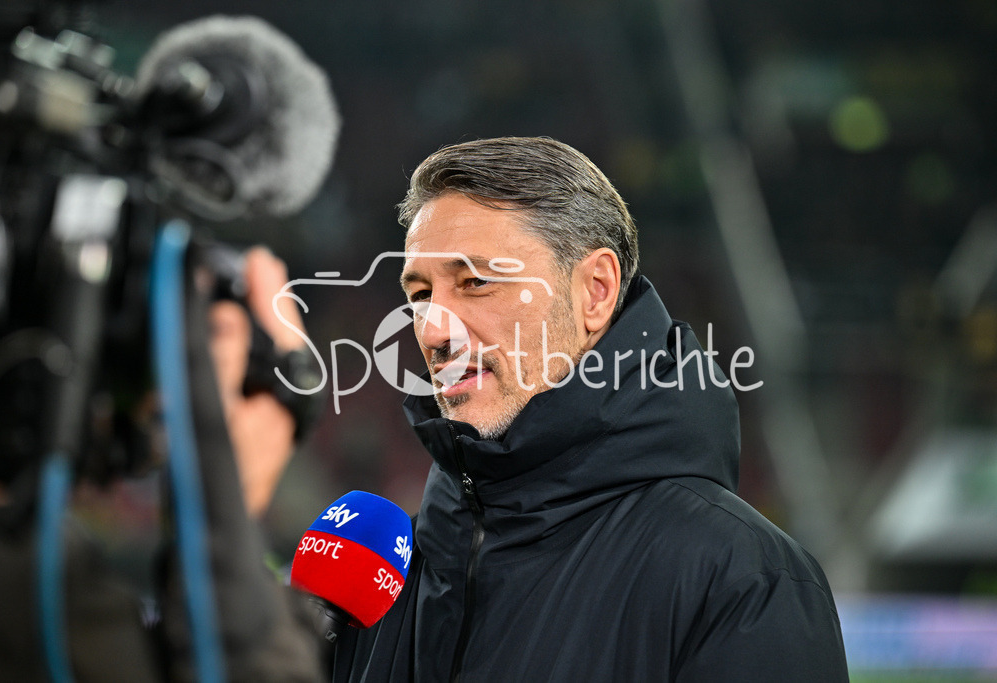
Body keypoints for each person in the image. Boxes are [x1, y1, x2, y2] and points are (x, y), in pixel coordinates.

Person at [331, 136, 849, 681]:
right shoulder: (380, 575)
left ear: (596, 292)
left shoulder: (741, 577)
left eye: (476, 282)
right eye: (419, 295)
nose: (434, 329)